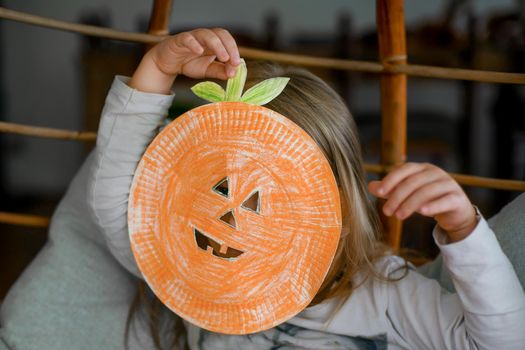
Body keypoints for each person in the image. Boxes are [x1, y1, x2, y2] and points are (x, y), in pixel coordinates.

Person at [1, 28, 524, 350]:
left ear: (332, 207)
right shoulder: (197, 276)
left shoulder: (379, 292)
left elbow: (500, 343)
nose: (231, 219)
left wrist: (462, 229)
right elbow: (114, 208)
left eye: (266, 198)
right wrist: (155, 72)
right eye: (221, 185)